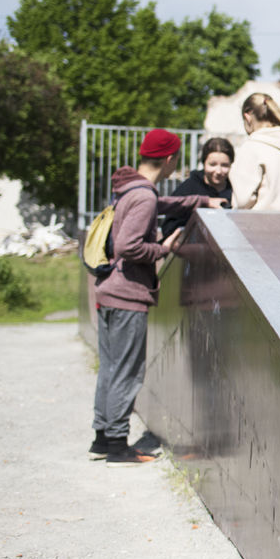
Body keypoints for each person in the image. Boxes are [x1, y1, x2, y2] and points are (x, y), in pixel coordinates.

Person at [91, 129, 226, 465]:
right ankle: (118, 444)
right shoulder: (144, 197)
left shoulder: (131, 189)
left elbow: (162, 203)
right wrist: (163, 249)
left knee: (110, 368)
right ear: (169, 159)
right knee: (128, 371)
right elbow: (129, 246)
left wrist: (200, 201)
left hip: (109, 291)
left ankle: (103, 437)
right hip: (127, 295)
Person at [161, 137, 234, 237]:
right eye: (212, 165)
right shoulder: (188, 188)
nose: (218, 171)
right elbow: (169, 226)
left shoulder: (236, 190)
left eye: (224, 165)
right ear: (204, 163)